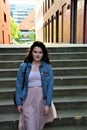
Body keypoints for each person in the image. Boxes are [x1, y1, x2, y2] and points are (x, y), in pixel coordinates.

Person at [15, 41, 57, 130]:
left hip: (41, 99)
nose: (37, 55)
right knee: (30, 124)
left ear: (43, 54)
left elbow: (50, 86)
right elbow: (19, 84)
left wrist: (47, 104)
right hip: (27, 99)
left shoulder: (47, 67)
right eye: (35, 52)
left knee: (38, 125)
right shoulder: (24, 66)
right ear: (31, 52)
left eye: (40, 52)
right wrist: (18, 103)